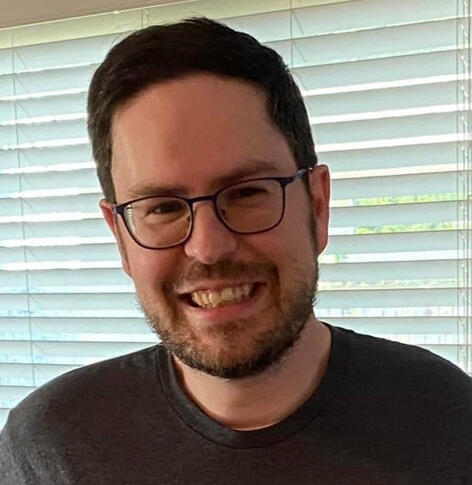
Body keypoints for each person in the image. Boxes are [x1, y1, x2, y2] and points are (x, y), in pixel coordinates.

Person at [1, 17, 471, 485]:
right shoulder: (48, 446)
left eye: (247, 192)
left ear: (318, 205)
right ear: (120, 236)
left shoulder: (451, 424)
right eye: (162, 207)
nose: (208, 247)